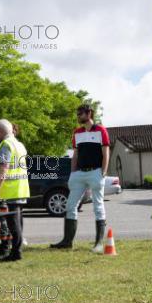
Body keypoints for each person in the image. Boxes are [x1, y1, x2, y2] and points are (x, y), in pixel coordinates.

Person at [50, 104, 110, 253]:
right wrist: (73, 173)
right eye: (77, 114)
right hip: (79, 174)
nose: (78, 116)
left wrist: (103, 172)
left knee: (98, 206)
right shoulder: (77, 132)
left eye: (80, 113)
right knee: (70, 206)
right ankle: (67, 242)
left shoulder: (101, 130)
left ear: (89, 113)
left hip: (95, 172)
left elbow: (106, 152)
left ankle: (98, 244)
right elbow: (75, 155)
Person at [0, 119, 30, 261]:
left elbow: (4, 167)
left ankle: (16, 253)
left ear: (1, 131)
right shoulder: (19, 144)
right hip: (20, 188)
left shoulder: (5, 145)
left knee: (13, 224)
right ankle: (16, 250)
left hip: (10, 190)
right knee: (18, 223)